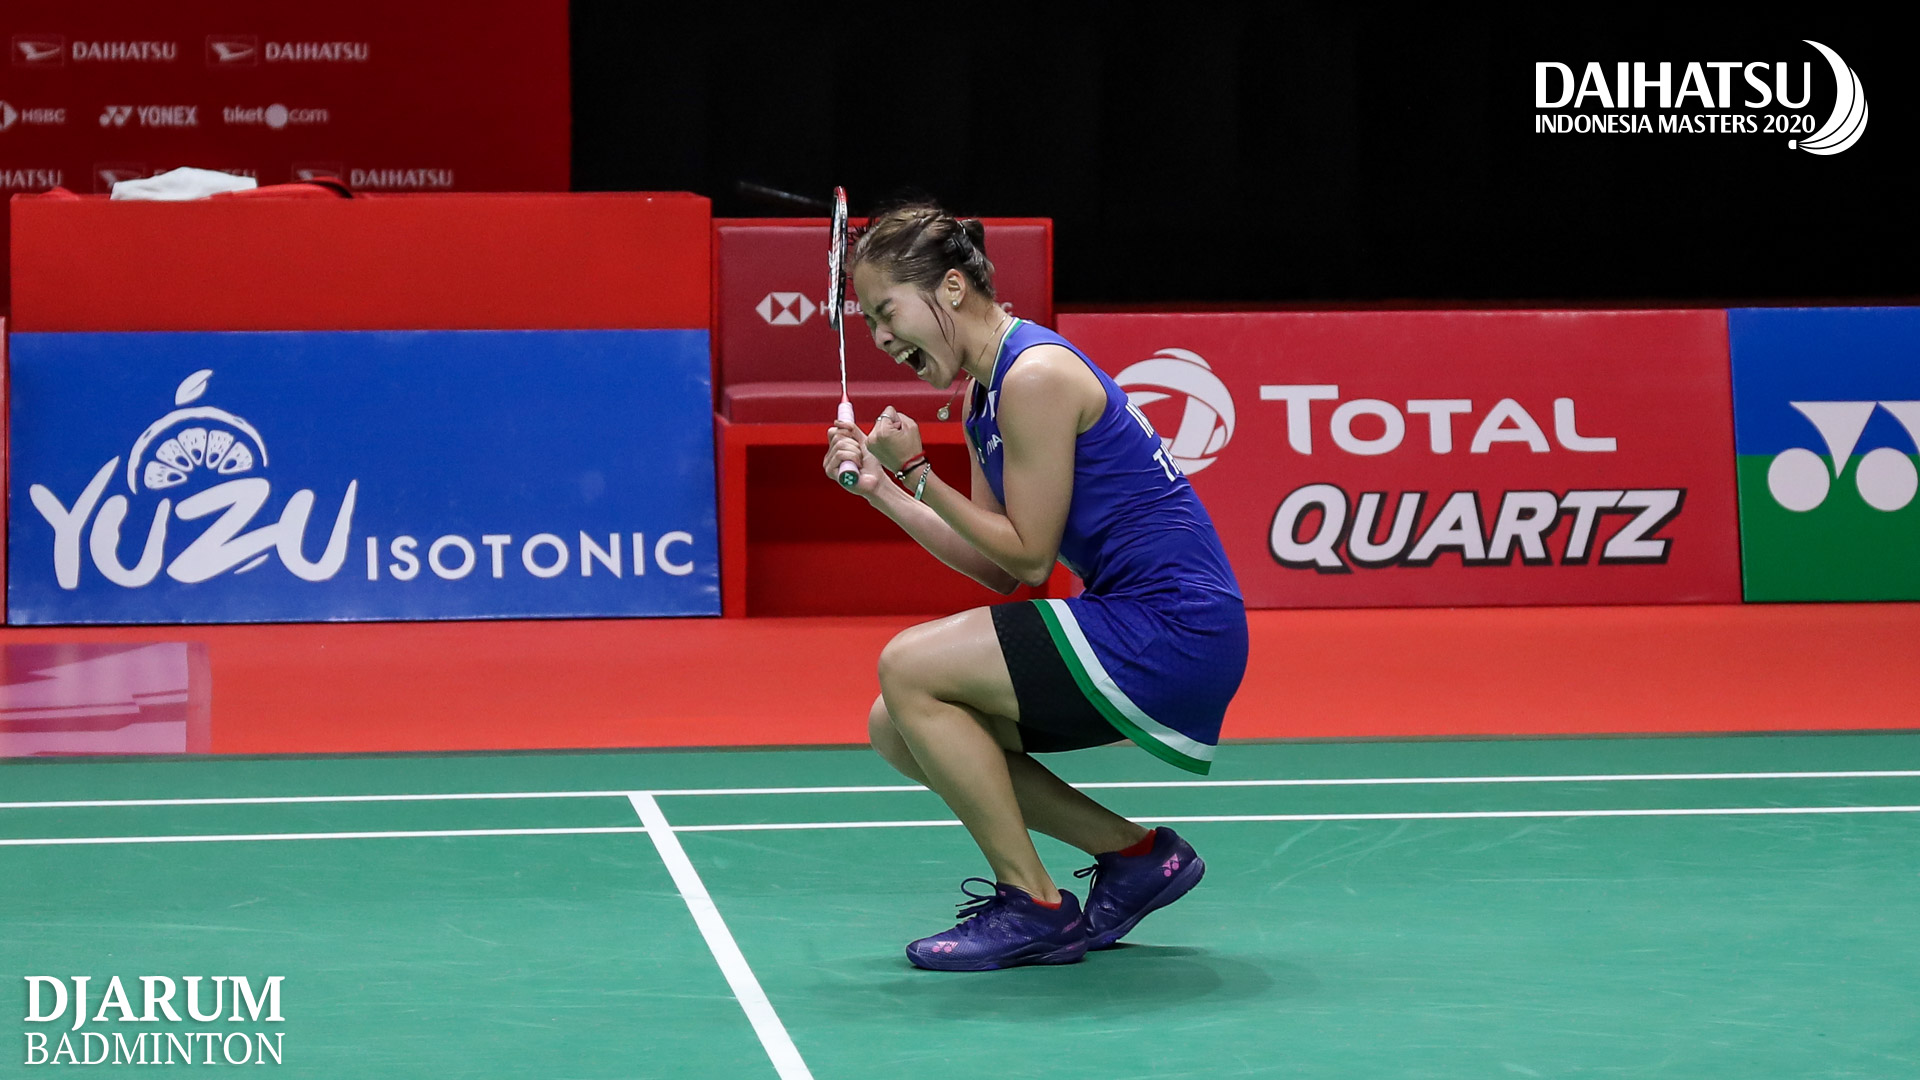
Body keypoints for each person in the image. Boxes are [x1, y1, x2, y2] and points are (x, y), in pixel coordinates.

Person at [823, 201, 1248, 971]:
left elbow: (1027, 558)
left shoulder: (1036, 375)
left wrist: (916, 473)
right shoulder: (983, 396)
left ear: (952, 288)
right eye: (871, 323)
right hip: (1130, 618)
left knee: (908, 665)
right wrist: (884, 488)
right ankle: (1137, 857)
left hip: (1175, 627)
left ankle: (1034, 905)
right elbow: (994, 567)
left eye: (887, 311)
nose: (881, 338)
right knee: (898, 724)